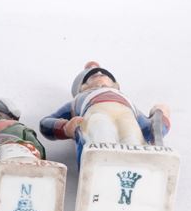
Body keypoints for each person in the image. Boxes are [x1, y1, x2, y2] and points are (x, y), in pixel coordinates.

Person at [39, 61, 170, 161]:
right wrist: (65, 128)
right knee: (101, 128)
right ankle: (102, 162)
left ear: (115, 85)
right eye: (92, 77)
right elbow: (46, 123)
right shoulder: (78, 101)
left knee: (132, 135)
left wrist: (161, 116)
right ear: (82, 87)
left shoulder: (128, 102)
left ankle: (140, 165)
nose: (99, 74)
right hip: (95, 114)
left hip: (126, 115)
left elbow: (149, 129)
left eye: (103, 74)